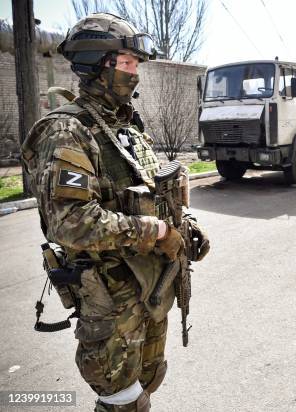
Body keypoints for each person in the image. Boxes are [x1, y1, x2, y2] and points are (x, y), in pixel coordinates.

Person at [21, 13, 208, 411]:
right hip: (111, 301)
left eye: (137, 64)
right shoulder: (68, 131)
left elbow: (158, 190)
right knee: (123, 401)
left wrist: (185, 224)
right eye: (126, 62)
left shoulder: (127, 127)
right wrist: (156, 232)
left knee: (150, 380)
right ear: (98, 64)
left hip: (150, 290)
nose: (135, 73)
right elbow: (70, 223)